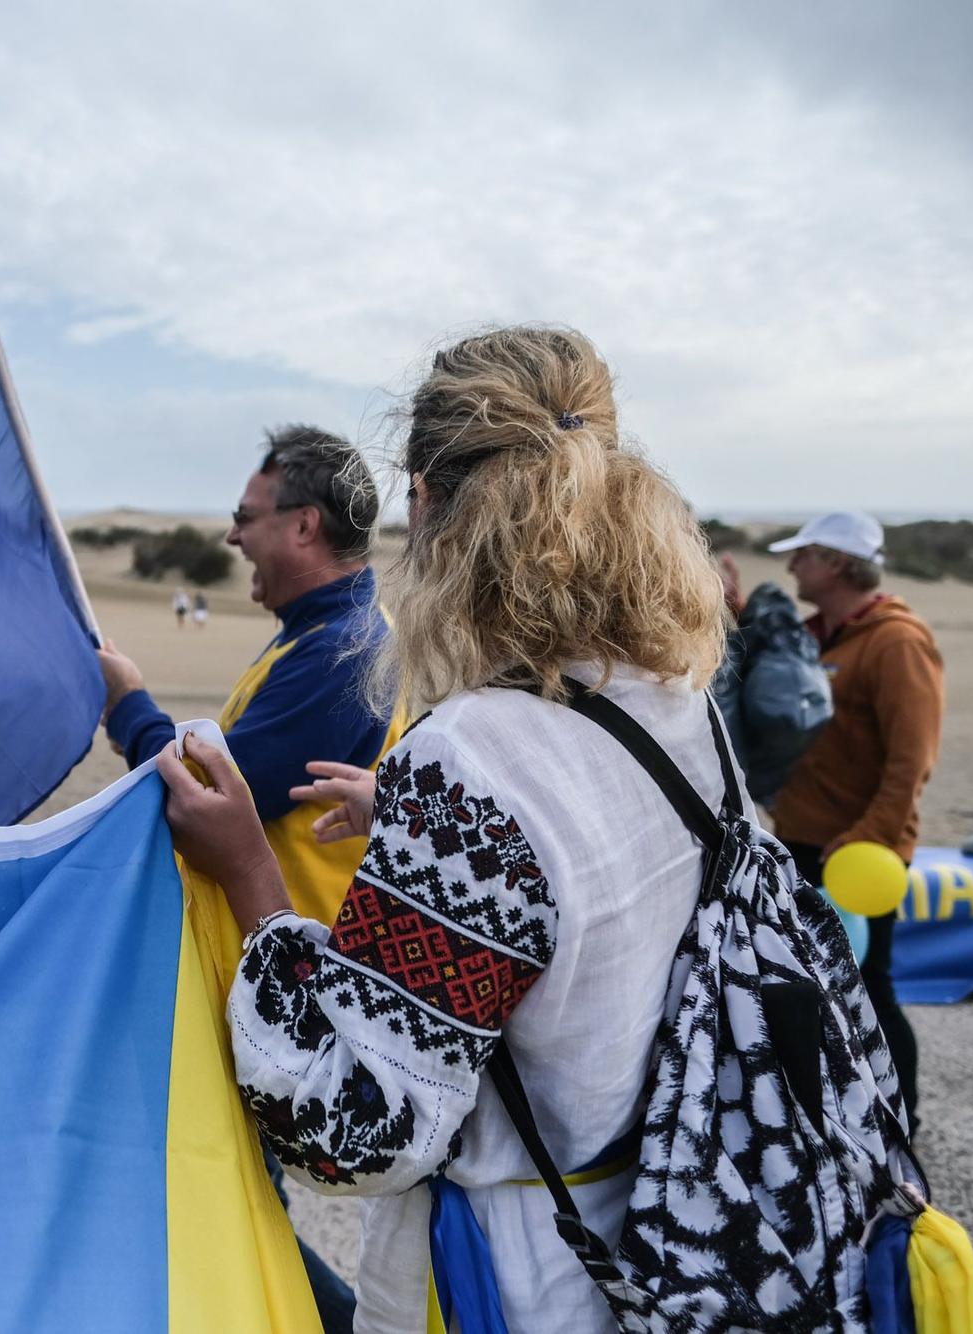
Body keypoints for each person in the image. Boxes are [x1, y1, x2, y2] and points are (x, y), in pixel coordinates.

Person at [158, 327, 733, 1330]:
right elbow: (585, 878)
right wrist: (439, 844)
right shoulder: (676, 699)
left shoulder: (472, 758)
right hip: (668, 1235)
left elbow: (353, 1125)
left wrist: (253, 871)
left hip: (516, 1278)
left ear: (424, 503)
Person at [98, 425, 401, 1332]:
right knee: (230, 1192)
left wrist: (131, 707)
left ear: (303, 525)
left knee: (235, 1195)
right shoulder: (313, 639)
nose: (232, 537)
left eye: (245, 517)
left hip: (276, 986)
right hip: (248, 976)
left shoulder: (341, 654)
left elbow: (203, 799)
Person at [766, 511, 942, 1132]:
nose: (791, 567)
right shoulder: (815, 634)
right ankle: (830, 1120)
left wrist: (869, 838)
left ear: (837, 563)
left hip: (856, 857)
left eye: (804, 556)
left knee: (869, 988)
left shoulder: (897, 641)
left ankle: (902, 1122)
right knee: (803, 987)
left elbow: (912, 759)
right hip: (798, 843)